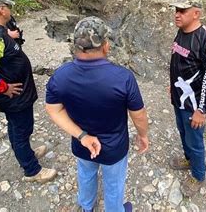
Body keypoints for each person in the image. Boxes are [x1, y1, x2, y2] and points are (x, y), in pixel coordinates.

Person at [45, 16, 149, 212]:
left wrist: (82, 136)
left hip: (82, 142)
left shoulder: (60, 76)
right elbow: (139, 114)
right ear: (106, 45)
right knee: (114, 184)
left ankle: (86, 207)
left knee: (85, 174)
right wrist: (143, 135)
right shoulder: (123, 78)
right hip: (114, 148)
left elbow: (53, 109)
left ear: (75, 45)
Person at [0, 0, 56, 183]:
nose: (10, 9)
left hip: (17, 96)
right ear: (1, 10)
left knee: (19, 128)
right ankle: (32, 171)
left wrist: (10, 36)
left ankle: (27, 153)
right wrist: (3, 88)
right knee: (20, 130)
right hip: (14, 97)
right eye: (7, 6)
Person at [169, 0, 206, 197]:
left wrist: (202, 110)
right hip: (178, 97)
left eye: (182, 10)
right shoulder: (181, 31)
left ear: (196, 13)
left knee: (195, 141)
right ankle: (188, 160)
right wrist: (171, 85)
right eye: (176, 10)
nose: (177, 14)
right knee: (183, 133)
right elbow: (177, 61)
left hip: (194, 104)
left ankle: (198, 175)